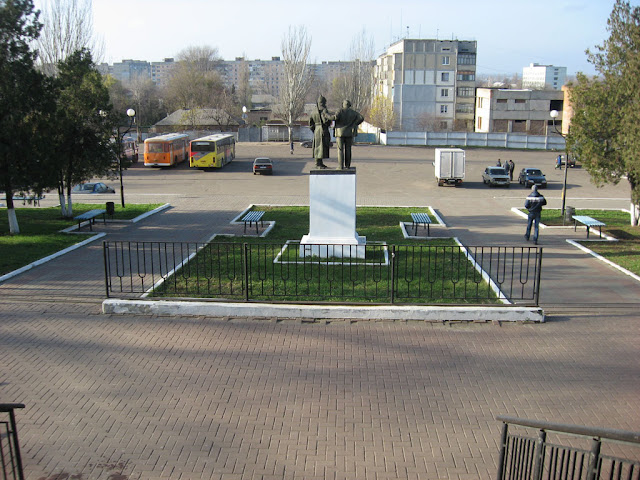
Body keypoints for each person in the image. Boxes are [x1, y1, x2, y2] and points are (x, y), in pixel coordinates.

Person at [334, 99, 364, 169]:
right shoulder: (353, 112)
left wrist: (326, 115)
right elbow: (361, 118)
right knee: (348, 149)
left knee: (340, 150)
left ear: (343, 104)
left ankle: (340, 166)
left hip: (340, 133)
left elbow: (335, 117)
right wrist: (354, 124)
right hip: (349, 133)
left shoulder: (340, 111)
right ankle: (347, 166)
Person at [308, 95, 334, 169]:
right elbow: (325, 120)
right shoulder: (324, 110)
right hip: (323, 129)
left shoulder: (313, 111)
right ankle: (318, 163)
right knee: (322, 146)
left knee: (317, 146)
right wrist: (329, 122)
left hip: (317, 130)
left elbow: (310, 123)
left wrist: (314, 130)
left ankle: (319, 163)